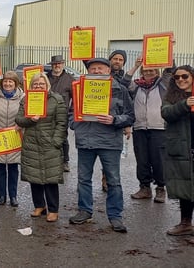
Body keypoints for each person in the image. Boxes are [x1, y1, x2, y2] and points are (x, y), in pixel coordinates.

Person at [68, 57, 134, 233]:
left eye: (100, 68)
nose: (96, 71)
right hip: (86, 140)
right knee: (83, 179)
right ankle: (85, 211)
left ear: (108, 71)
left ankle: (115, 216)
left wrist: (115, 120)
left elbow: (130, 116)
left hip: (110, 142)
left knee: (113, 180)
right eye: (93, 68)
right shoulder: (80, 89)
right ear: (89, 71)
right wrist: (75, 124)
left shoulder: (120, 89)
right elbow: (71, 112)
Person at [15, 73, 67, 222]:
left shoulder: (56, 100)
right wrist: (30, 120)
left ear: (47, 85)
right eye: (35, 84)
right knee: (34, 177)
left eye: (41, 84)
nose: (38, 86)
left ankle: (53, 209)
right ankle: (39, 205)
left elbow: (61, 123)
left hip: (50, 143)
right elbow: (18, 119)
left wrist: (56, 141)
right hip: (32, 143)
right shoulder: (26, 100)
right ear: (31, 86)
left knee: (50, 178)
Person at [127, 56, 172, 202]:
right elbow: (124, 82)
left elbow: (170, 70)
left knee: (158, 160)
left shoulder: (163, 84)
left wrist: (168, 50)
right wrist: (135, 66)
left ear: (157, 72)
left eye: (152, 70)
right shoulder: (136, 86)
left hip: (159, 128)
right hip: (140, 128)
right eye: (146, 70)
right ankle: (144, 188)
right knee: (142, 160)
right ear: (142, 72)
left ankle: (160, 189)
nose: (149, 72)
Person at [161, 65, 194, 241]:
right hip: (182, 149)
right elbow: (166, 113)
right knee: (185, 188)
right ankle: (185, 223)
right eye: (177, 77)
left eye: (185, 76)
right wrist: (184, 104)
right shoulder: (172, 97)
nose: (181, 80)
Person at [0, 71, 24, 207]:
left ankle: (13, 196)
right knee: (0, 168)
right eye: (5, 81)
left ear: (15, 83)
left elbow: (28, 114)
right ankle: (2, 195)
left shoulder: (23, 97)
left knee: (13, 168)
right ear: (2, 83)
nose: (7, 84)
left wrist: (21, 123)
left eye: (10, 82)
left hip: (15, 136)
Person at [47, 55, 73, 172]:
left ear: (63, 64)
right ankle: (50, 160)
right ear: (52, 65)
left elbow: (76, 98)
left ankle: (64, 161)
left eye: (59, 63)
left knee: (62, 137)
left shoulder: (69, 79)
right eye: (55, 64)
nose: (57, 66)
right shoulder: (45, 78)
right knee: (46, 136)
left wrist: (71, 111)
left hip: (63, 113)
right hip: (46, 113)